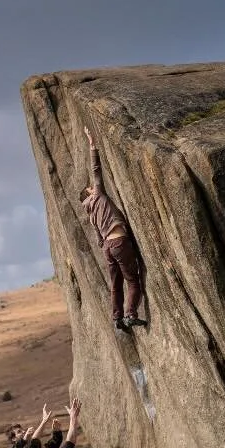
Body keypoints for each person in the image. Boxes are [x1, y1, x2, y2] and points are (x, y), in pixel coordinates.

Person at [83, 126, 146, 331]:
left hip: (107, 248)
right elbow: (96, 171)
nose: (93, 187)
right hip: (119, 241)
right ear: (89, 194)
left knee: (115, 285)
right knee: (133, 281)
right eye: (91, 189)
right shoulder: (98, 196)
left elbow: (98, 238)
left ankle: (117, 318)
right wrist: (92, 145)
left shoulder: (91, 215)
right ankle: (130, 315)